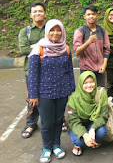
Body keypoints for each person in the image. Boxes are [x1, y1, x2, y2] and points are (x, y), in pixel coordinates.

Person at [28, 19, 75, 162]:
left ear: (62, 31)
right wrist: (33, 95)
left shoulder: (65, 49)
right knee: (47, 122)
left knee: (58, 120)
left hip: (62, 92)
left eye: (58, 30)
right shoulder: (39, 49)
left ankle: (56, 145)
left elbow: (70, 71)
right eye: (52, 30)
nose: (56, 33)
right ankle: (47, 148)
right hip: (45, 93)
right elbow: (32, 74)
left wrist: (71, 88)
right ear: (47, 32)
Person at [18, 2, 46, 139]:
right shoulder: (25, 31)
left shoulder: (51, 28)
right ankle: (31, 123)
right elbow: (23, 49)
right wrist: (42, 46)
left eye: (40, 11)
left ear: (45, 13)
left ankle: (60, 120)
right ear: (31, 15)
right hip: (31, 71)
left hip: (50, 69)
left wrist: (34, 46)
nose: (37, 13)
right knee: (32, 98)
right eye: (35, 12)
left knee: (53, 97)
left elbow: (57, 45)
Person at [67, 71, 108, 156]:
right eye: (85, 83)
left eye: (92, 82)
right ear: (80, 84)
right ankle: (78, 145)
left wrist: (93, 128)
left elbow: (104, 115)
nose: (89, 85)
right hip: (78, 124)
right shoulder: (73, 99)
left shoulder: (101, 93)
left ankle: (94, 140)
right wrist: (85, 134)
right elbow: (73, 120)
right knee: (79, 141)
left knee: (101, 132)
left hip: (93, 122)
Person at [73, 5, 110, 88]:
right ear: (84, 16)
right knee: (87, 94)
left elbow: (106, 49)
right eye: (88, 14)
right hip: (86, 69)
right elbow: (77, 52)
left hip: (100, 69)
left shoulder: (102, 31)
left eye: (93, 14)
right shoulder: (80, 31)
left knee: (100, 93)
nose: (91, 16)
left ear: (97, 15)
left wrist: (104, 64)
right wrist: (88, 42)